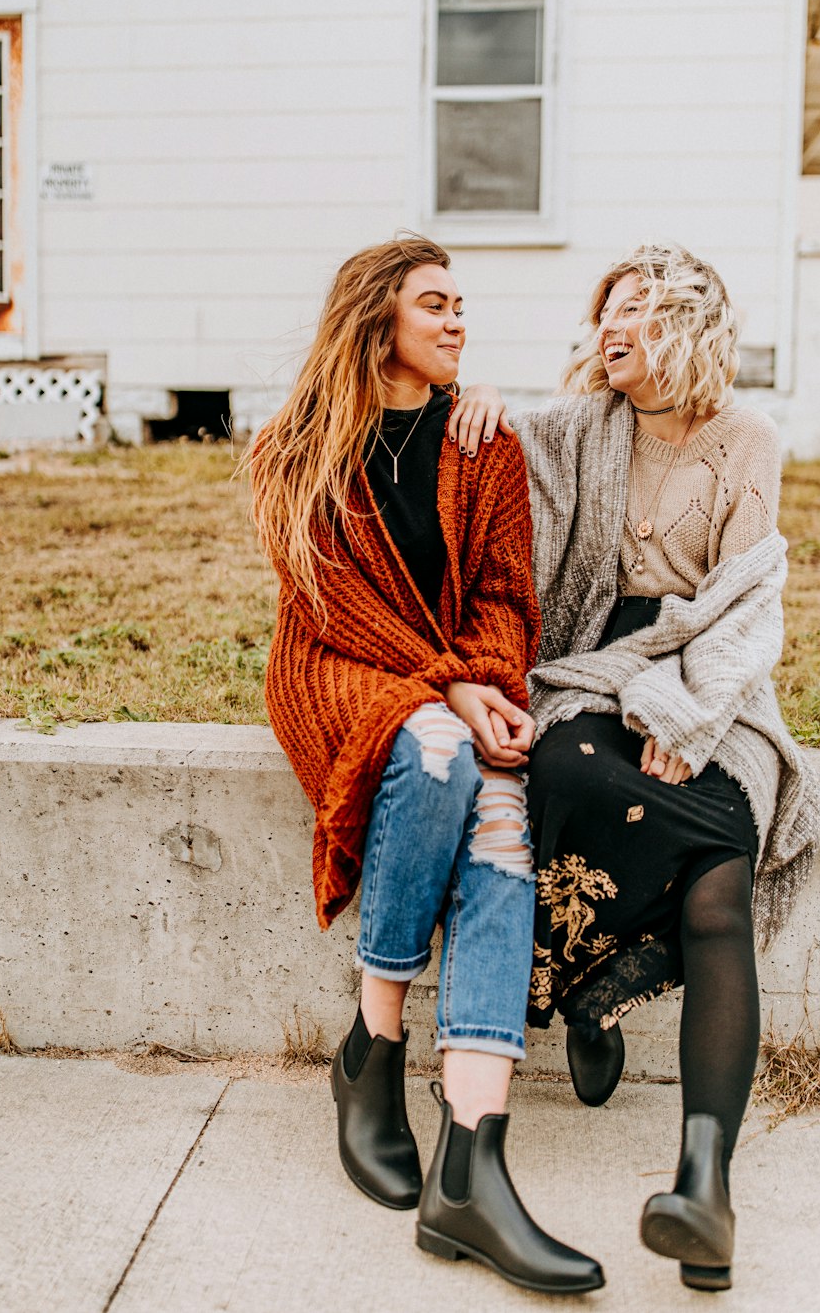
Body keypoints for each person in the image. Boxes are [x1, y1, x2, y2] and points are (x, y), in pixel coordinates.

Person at [450, 242, 820, 1293]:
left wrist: (688, 713)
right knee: (566, 769)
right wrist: (472, 394)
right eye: (607, 310)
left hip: (713, 684)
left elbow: (749, 604)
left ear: (693, 325)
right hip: (592, 670)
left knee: (718, 889)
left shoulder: (748, 439)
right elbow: (479, 450)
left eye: (643, 311)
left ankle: (705, 1186)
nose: (614, 328)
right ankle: (590, 995)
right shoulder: (573, 431)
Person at [248, 235, 603, 1295]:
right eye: (434, 305)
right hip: (336, 669)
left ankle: (469, 1159)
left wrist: (487, 680)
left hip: (450, 683)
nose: (457, 322)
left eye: (462, 306)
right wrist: (454, 690)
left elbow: (503, 595)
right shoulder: (293, 447)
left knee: (498, 807)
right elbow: (331, 607)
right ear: (377, 320)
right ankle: (373, 1043)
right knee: (445, 753)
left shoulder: (479, 439)